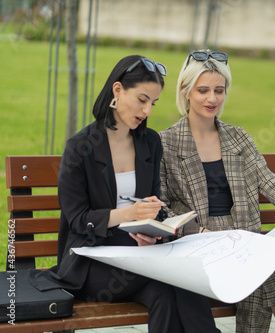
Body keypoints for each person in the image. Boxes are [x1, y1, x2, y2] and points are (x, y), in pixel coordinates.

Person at [30, 55, 220, 333]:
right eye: (142, 100)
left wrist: (154, 229)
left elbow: (152, 202)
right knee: (176, 278)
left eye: (153, 103)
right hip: (92, 260)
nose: (147, 111)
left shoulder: (150, 142)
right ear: (117, 90)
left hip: (140, 255)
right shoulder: (80, 147)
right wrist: (126, 214)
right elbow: (78, 219)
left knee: (165, 295)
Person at [158, 50, 275, 333]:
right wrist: (200, 233)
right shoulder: (166, 143)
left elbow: (268, 181)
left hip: (243, 235)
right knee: (263, 261)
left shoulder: (238, 137)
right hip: (200, 242)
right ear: (185, 91)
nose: (212, 99)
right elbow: (163, 207)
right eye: (203, 90)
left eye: (219, 90)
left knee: (268, 259)